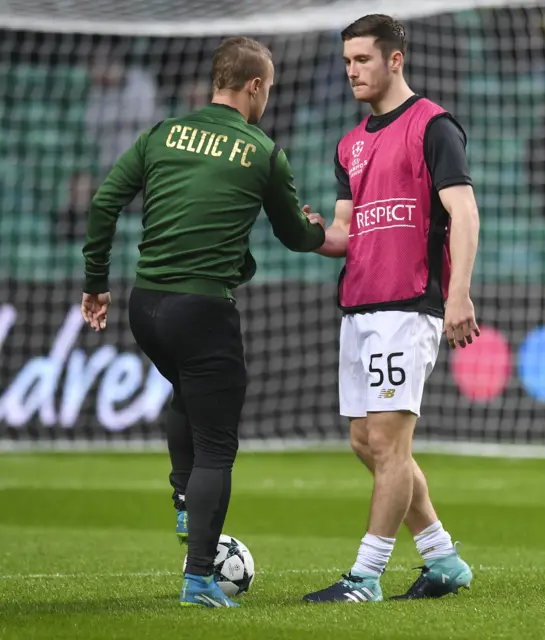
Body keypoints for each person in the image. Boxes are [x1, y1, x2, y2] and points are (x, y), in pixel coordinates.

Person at [80, 36, 326, 608]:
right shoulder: (263, 150)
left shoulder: (162, 133)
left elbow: (102, 205)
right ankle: (198, 580)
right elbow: (296, 235)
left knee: (186, 393)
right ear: (255, 86)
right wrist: (317, 228)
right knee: (217, 448)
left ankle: (184, 503)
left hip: (145, 307)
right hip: (203, 312)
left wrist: (96, 282)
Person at [302, 15, 480, 604]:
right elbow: (346, 234)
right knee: (366, 442)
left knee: (390, 442)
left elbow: (465, 213)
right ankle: (443, 558)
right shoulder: (349, 143)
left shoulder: (434, 126)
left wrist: (457, 295)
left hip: (409, 305)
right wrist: (311, 234)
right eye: (348, 60)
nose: (352, 70)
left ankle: (365, 577)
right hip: (359, 305)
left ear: (394, 60)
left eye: (363, 60)